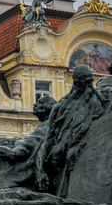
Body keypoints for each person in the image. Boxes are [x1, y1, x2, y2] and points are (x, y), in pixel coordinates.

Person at [36, 65, 108, 196]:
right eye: (84, 82)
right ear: (76, 83)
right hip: (57, 163)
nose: (89, 86)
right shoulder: (59, 108)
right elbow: (47, 141)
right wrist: (40, 170)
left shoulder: (100, 100)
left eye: (90, 82)